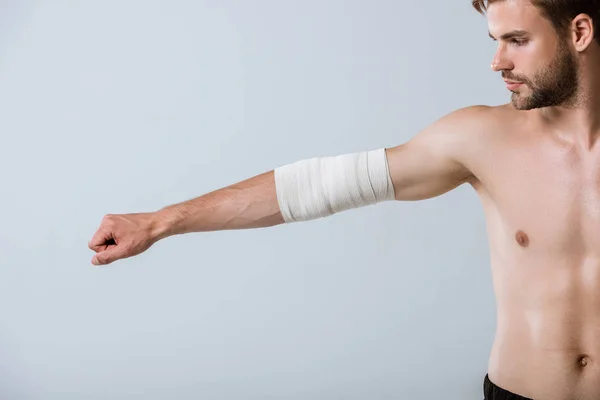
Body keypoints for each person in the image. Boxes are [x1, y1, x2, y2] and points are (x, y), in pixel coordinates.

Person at [88, 0, 600, 398]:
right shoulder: (482, 139)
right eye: (495, 40)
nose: (497, 61)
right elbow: (314, 188)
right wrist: (160, 222)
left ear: (579, 32)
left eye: (517, 40)